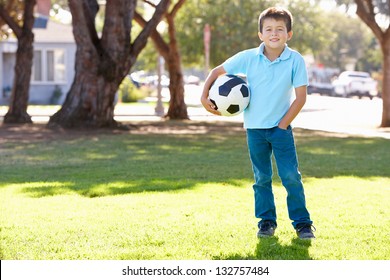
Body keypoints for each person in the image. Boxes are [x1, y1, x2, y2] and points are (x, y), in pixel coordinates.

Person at [201, 7, 315, 239]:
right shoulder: (248, 57)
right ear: (260, 34)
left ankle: (302, 223)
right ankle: (266, 222)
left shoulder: (295, 60)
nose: (274, 34)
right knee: (261, 178)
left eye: (280, 29)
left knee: (291, 176)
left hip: (281, 130)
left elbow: (301, 98)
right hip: (254, 130)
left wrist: (283, 125)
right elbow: (216, 71)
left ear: (289, 34)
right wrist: (204, 97)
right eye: (269, 29)